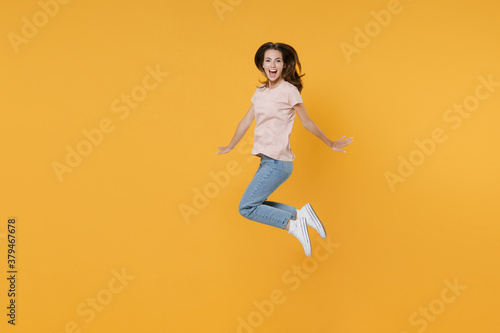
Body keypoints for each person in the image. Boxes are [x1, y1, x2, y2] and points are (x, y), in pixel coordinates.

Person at [217, 42, 353, 256]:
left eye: (277, 60)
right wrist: (230, 145)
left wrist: (331, 142)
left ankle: (293, 225)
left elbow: (307, 122)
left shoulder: (289, 91)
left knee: (246, 208)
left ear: (284, 65)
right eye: (268, 60)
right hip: (267, 161)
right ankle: (301, 214)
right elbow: (246, 121)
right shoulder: (260, 92)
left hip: (278, 162)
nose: (273, 65)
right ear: (262, 65)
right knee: (255, 204)